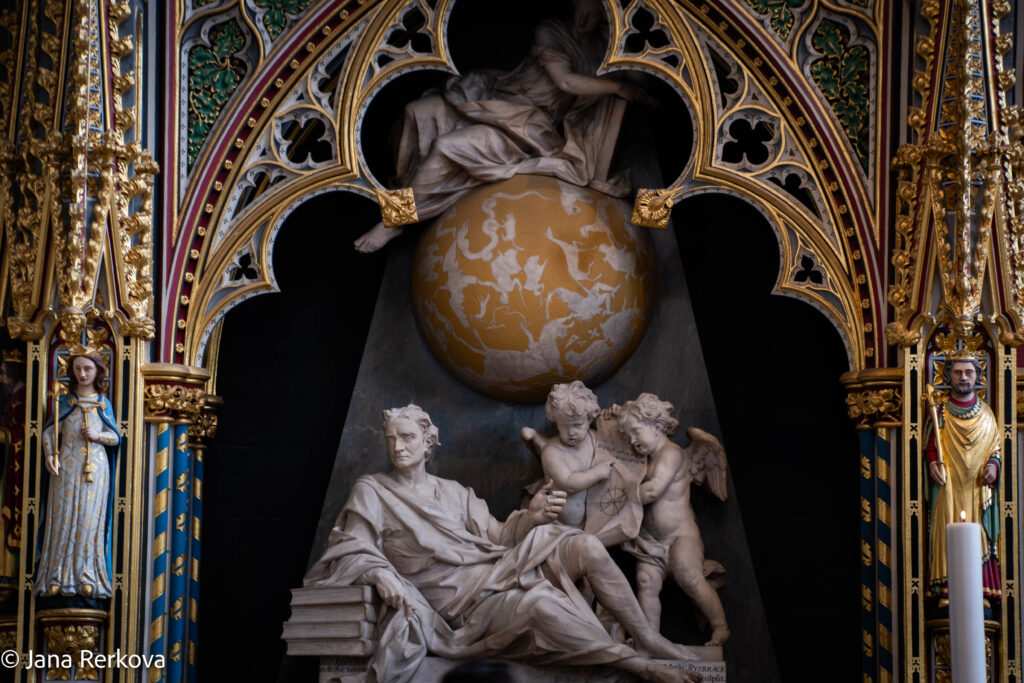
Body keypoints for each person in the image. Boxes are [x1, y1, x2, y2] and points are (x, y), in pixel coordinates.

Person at [305, 404, 700, 683]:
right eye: (392, 439)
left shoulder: (454, 491)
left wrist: (535, 516)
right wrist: (377, 573)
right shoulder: (372, 490)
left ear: (428, 442)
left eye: (408, 438)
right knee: (541, 604)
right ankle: (639, 665)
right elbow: (346, 548)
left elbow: (498, 536)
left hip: (497, 567)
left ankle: (649, 639)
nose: (398, 447)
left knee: (582, 544)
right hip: (460, 601)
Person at [354, 0, 651, 252]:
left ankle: (394, 222)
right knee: (416, 112)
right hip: (494, 98)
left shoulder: (603, 50)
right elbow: (565, 81)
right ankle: (407, 189)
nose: (587, 17)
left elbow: (641, 85)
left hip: (525, 127)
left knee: (444, 147)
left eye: (599, 11)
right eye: (584, 4)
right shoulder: (551, 30)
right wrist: (616, 88)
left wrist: (626, 42)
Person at [617, 394, 730, 646]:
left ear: (656, 425)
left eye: (636, 432)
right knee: (645, 583)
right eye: (629, 437)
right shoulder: (643, 460)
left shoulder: (671, 453)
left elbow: (654, 489)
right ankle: (650, 641)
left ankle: (720, 627)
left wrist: (619, 501)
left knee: (689, 578)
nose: (633, 441)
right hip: (650, 542)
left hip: (680, 537)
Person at [33, 348, 119, 598]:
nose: (82, 373)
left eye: (87, 368)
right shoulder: (65, 402)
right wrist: (50, 454)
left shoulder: (103, 404)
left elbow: (115, 437)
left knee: (87, 520)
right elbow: (50, 432)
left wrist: (98, 435)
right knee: (62, 519)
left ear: (97, 371)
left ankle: (87, 575)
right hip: (65, 469)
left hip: (95, 471)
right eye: (78, 368)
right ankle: (57, 575)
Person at [924, 352, 1001, 601]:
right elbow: (932, 444)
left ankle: (980, 590)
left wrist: (993, 465)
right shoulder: (941, 412)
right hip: (949, 485)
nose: (964, 377)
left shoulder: (987, 414)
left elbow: (995, 447)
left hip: (977, 487)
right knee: (947, 532)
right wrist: (933, 462)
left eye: (969, 372)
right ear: (948, 376)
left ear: (978, 376)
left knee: (977, 535)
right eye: (958, 372)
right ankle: (948, 589)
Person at [537, 381, 612, 527]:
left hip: (595, 525)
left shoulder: (595, 438)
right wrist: (598, 472)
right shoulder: (552, 452)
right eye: (563, 426)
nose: (571, 432)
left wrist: (615, 415)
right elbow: (568, 483)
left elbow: (618, 449)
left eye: (578, 425)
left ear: (589, 419)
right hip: (560, 525)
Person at [0, 349, 27, 599]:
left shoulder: (20, 403)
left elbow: (17, 436)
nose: (1, 379)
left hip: (14, 472)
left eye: (3, 374)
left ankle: (10, 576)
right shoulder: (13, 400)